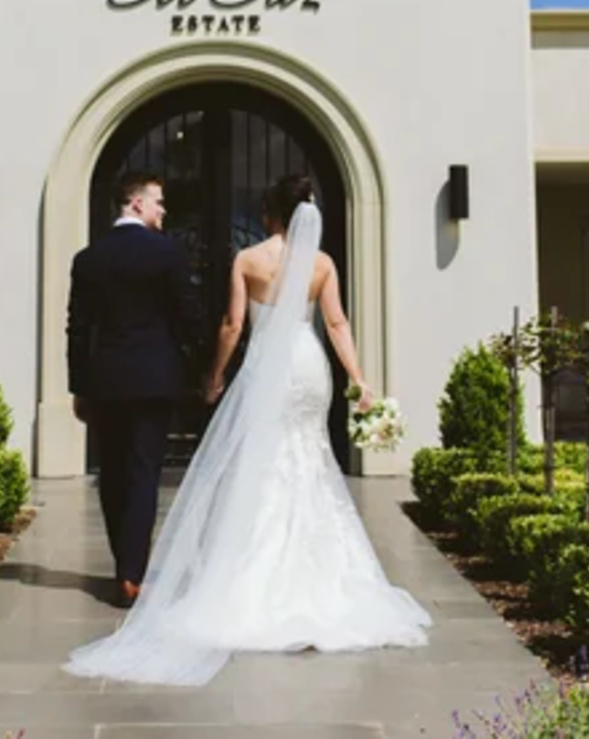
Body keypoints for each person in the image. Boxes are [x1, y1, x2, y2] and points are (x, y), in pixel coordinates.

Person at [64, 173, 431, 687]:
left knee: (258, 463)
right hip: (306, 368)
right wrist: (360, 379)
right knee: (310, 458)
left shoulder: (248, 260)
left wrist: (213, 375)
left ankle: (205, 571)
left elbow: (232, 326)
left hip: (261, 372)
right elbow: (338, 324)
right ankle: (317, 577)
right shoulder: (322, 264)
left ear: (268, 214)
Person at [65, 170, 205, 608]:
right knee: (144, 472)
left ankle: (121, 563)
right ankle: (132, 572)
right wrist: (199, 366)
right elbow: (189, 315)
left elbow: (77, 329)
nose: (164, 211)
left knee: (111, 472)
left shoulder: (88, 259)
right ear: (137, 204)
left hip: (106, 380)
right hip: (154, 379)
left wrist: (79, 386)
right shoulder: (167, 254)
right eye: (159, 202)